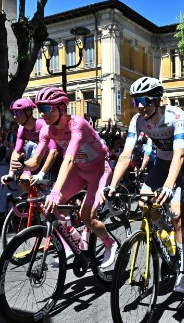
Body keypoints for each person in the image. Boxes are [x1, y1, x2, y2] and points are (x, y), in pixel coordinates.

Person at [105, 76, 184, 293]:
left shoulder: (176, 116)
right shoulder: (138, 121)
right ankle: (166, 234)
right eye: (136, 101)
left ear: (157, 99)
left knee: (176, 215)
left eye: (144, 100)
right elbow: (126, 154)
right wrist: (113, 184)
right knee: (145, 204)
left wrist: (168, 186)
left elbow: (179, 154)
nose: (141, 106)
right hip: (162, 162)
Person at [22, 87, 117, 267]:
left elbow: (69, 158)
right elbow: (35, 161)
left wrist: (56, 191)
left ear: (62, 108)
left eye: (47, 108)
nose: (42, 113)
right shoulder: (47, 131)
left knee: (86, 216)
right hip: (80, 171)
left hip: (99, 170)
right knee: (54, 206)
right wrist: (21, 165)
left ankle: (110, 243)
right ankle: (72, 242)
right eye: (40, 109)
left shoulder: (77, 124)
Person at [3, 98, 58, 185]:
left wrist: (41, 174)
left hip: (56, 158)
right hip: (38, 158)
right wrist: (11, 173)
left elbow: (54, 151)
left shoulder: (43, 125)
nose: (14, 116)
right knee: (24, 181)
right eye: (14, 113)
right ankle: (37, 196)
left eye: (18, 113)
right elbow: (17, 152)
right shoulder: (21, 129)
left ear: (28, 113)